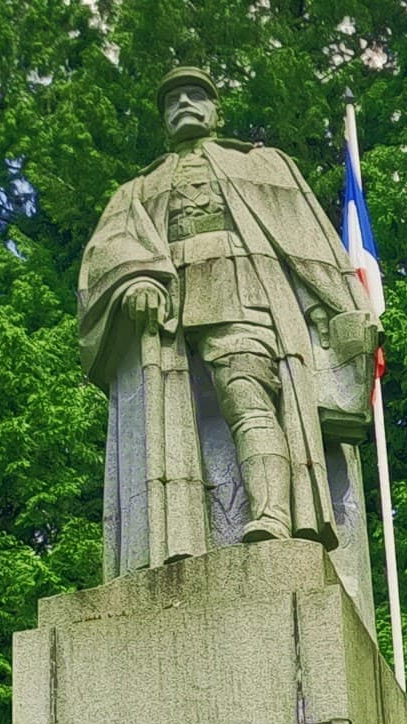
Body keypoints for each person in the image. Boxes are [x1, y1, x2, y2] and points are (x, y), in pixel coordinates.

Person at [79, 67, 381, 576]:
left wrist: (340, 309)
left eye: (196, 95)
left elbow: (307, 246)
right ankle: (172, 545)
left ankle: (271, 518)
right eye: (172, 99)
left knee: (249, 403)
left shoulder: (262, 165)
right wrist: (134, 280)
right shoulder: (137, 189)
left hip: (241, 298)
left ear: (217, 111)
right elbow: (106, 253)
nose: (183, 104)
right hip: (164, 324)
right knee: (167, 434)